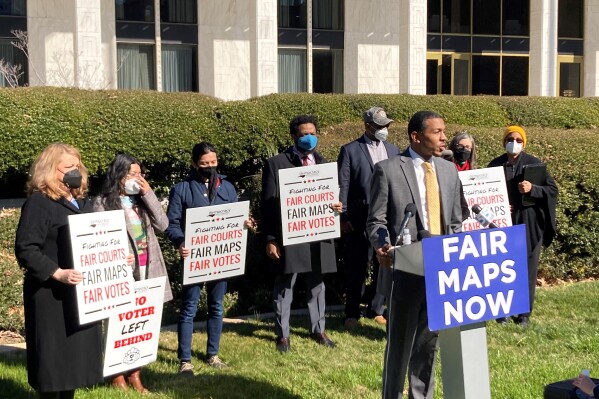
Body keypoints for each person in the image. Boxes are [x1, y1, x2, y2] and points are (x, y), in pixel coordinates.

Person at [367, 111, 463, 399]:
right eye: (437, 132)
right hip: (404, 271)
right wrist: (382, 245)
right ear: (416, 136)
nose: (444, 137)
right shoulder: (389, 169)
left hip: (441, 270)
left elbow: (456, 221)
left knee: (427, 345)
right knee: (400, 346)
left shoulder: (448, 171)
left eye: (444, 130)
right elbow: (376, 221)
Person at [14, 143, 104, 399]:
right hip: (51, 300)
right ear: (50, 170)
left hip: (80, 299)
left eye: (77, 166)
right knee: (54, 370)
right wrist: (57, 273)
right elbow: (26, 248)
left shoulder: (83, 202)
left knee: (73, 369)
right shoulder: (38, 203)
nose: (74, 171)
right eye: (67, 167)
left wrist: (117, 255)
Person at [93, 153, 173, 393]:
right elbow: (100, 238)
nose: (137, 178)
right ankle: (116, 374)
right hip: (122, 270)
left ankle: (135, 373)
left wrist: (148, 193)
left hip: (148, 267)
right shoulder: (102, 202)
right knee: (119, 321)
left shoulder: (141, 201)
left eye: (140, 174)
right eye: (132, 174)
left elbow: (163, 224)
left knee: (141, 322)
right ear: (118, 176)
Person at [261, 114, 342, 352]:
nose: (309, 138)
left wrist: (337, 207)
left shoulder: (325, 164)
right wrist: (270, 239)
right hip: (290, 235)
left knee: (317, 285)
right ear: (294, 136)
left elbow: (331, 196)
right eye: (304, 133)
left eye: (313, 133)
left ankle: (319, 329)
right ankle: (283, 335)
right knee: (285, 285)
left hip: (319, 234)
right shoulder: (276, 163)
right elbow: (267, 206)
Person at [165, 142, 236, 374]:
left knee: (217, 306)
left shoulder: (227, 187)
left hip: (220, 258)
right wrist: (181, 242)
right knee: (189, 308)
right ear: (195, 164)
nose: (209, 167)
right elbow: (171, 223)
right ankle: (185, 359)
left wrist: (245, 224)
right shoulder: (181, 189)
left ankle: (212, 355)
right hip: (194, 258)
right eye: (204, 164)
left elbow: (235, 216)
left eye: (213, 163)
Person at [337, 106, 400, 330]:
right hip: (358, 218)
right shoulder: (350, 150)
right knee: (357, 266)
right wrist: (343, 216)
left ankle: (376, 309)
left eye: (386, 125)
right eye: (379, 125)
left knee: (384, 264)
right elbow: (343, 184)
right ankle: (351, 312)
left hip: (385, 218)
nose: (384, 129)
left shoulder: (393, 150)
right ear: (367, 125)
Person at [488, 126, 558, 327]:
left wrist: (533, 189)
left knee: (527, 266)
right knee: (502, 266)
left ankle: (523, 314)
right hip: (503, 221)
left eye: (519, 140)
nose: (514, 142)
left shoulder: (534, 164)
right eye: (510, 139)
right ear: (504, 141)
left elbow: (552, 190)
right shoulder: (495, 165)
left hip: (529, 220)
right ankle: (502, 311)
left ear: (524, 142)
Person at [447, 131, 478, 221]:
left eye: (468, 147)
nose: (464, 149)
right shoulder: (445, 168)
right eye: (460, 146)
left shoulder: (475, 170)